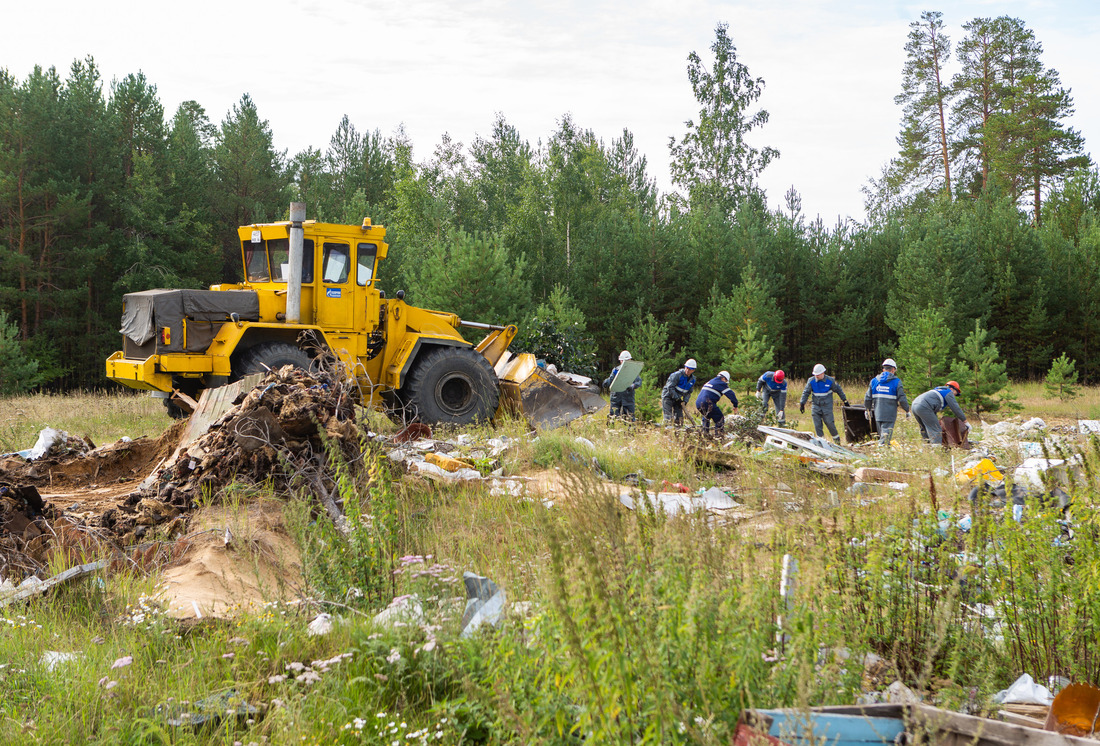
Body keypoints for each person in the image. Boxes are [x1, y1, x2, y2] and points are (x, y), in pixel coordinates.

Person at [798, 363, 849, 444]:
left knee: (829, 423)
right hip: (816, 406)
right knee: (817, 425)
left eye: (818, 375)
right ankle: (822, 443)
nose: (816, 376)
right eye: (815, 375)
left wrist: (845, 400)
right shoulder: (811, 381)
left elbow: (839, 390)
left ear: (823, 373)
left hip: (827, 407)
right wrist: (802, 403)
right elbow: (806, 392)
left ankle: (837, 441)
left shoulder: (830, 381)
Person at [864, 358, 910, 445]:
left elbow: (867, 397)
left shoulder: (874, 381)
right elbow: (902, 398)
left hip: (877, 413)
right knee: (885, 439)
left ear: (883, 369)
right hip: (890, 414)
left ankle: (884, 451)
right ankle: (882, 452)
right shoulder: (896, 382)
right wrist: (907, 410)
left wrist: (867, 409)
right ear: (893, 369)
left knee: (882, 435)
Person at [911, 380, 968, 446]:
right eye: (956, 393)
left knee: (925, 428)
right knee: (936, 429)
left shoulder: (938, 390)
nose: (954, 395)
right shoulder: (948, 392)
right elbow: (956, 408)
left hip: (914, 405)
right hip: (924, 406)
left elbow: (932, 410)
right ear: (952, 389)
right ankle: (936, 450)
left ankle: (926, 447)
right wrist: (965, 421)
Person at [695, 370, 740, 437]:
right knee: (719, 418)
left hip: (698, 403)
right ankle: (719, 437)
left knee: (706, 417)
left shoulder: (710, 381)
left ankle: (705, 435)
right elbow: (731, 394)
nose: (726, 383)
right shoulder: (721, 383)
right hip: (708, 403)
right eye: (726, 381)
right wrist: (735, 405)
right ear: (723, 378)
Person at [603, 350, 643, 421]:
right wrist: (606, 382)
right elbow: (611, 381)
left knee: (630, 419)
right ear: (620, 361)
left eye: (627, 360)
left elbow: (638, 382)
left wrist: (633, 386)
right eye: (623, 360)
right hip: (616, 399)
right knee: (613, 418)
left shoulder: (632, 370)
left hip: (628, 398)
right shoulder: (616, 370)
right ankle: (612, 431)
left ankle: (629, 432)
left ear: (630, 360)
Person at [661, 358, 697, 427]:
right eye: (687, 368)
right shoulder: (677, 375)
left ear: (693, 370)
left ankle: (678, 431)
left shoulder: (693, 380)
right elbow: (670, 387)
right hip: (668, 396)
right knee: (668, 416)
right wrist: (677, 398)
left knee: (679, 418)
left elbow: (689, 392)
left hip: (678, 399)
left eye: (690, 369)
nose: (687, 370)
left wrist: (685, 401)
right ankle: (668, 431)